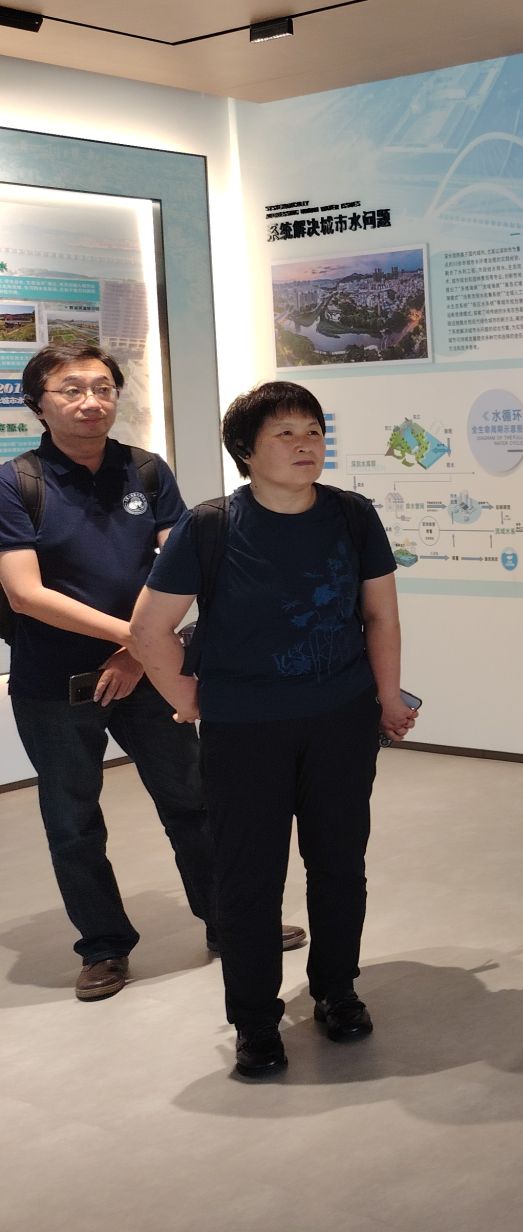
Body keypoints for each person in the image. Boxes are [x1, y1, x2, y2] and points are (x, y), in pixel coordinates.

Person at [128, 382, 416, 1081]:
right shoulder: (211, 526)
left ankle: (337, 990)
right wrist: (191, 699)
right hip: (245, 730)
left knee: (339, 863)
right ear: (246, 450)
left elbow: (380, 616)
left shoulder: (352, 516)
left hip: (340, 719)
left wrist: (386, 697)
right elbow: (149, 629)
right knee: (249, 875)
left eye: (313, 429)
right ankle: (255, 1020)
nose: (304, 443)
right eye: (285, 432)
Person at [0, 343, 304, 1002]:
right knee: (73, 822)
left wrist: (139, 654)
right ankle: (103, 946)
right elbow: (25, 594)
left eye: (103, 387)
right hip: (54, 684)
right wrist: (135, 638)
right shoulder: (16, 482)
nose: (91, 402)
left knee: (193, 799)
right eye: (71, 389)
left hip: (146, 672)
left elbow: (180, 566)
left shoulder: (144, 470)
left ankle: (228, 921)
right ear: (38, 404)